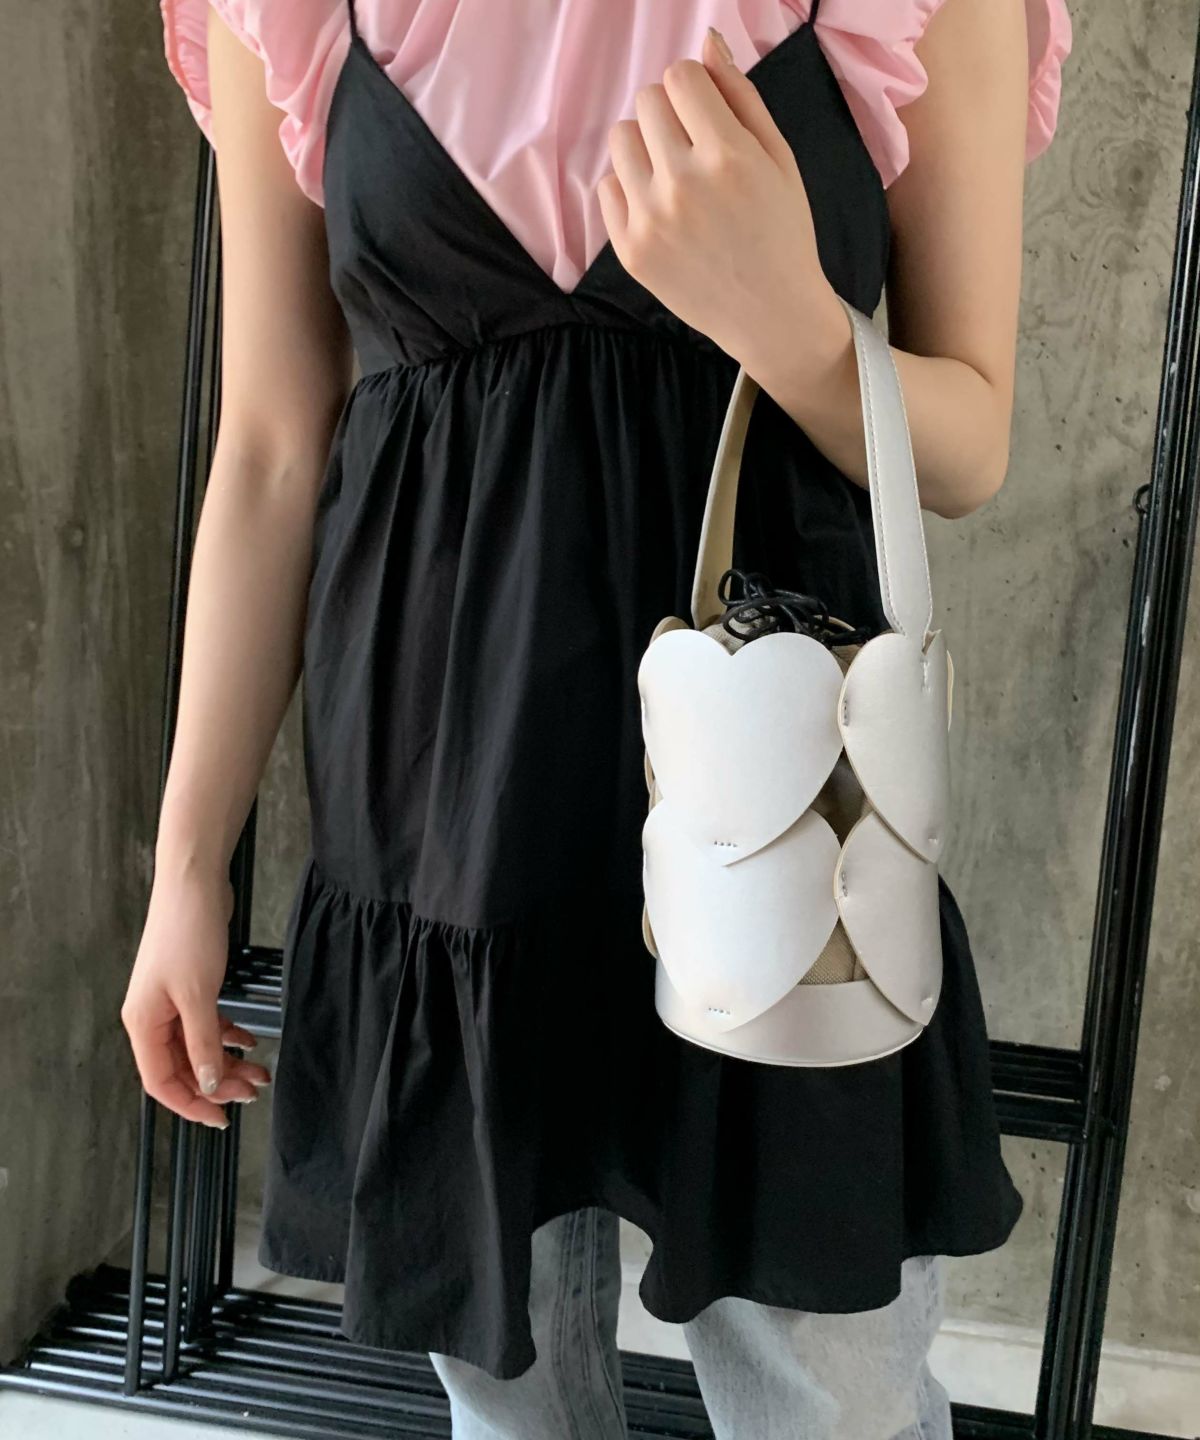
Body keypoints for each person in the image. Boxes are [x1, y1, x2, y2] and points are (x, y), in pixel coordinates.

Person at [123, 1, 1072, 1435]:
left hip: (776, 795)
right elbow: (268, 442)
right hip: (444, 790)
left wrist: (794, 324)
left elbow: (970, 442)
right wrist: (188, 870)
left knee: (834, 1394)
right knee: (509, 1398)